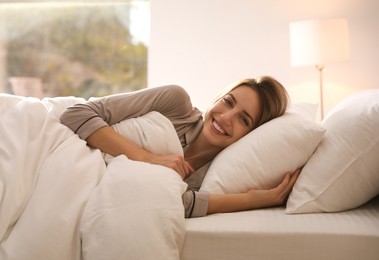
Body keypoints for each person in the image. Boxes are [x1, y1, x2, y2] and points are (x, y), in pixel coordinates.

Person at [60, 76, 301, 218]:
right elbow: (77, 113)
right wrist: (147, 158)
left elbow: (179, 204)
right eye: (228, 102)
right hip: (60, 147)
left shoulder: (214, 176)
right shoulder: (176, 104)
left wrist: (254, 199)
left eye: (244, 119)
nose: (226, 117)